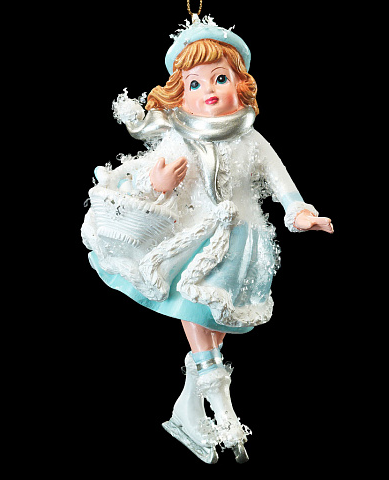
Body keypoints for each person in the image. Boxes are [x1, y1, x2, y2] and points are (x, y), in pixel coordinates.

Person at [81, 16, 333, 463]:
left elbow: (283, 186)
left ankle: (187, 411)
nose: (209, 91)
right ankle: (223, 408)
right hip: (194, 238)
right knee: (195, 310)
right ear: (180, 94)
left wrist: (301, 213)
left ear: (242, 85)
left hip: (242, 245)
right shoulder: (179, 137)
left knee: (214, 327)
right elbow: (146, 180)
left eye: (220, 78)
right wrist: (157, 184)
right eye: (194, 84)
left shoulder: (252, 139)